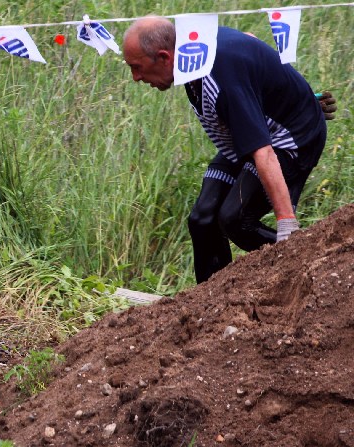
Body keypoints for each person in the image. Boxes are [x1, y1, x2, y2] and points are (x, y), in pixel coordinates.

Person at [122, 16, 328, 283]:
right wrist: (290, 96)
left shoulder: (218, 76)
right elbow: (250, 42)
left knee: (235, 219)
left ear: (164, 57)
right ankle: (207, 305)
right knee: (202, 219)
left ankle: (306, 264)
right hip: (245, 137)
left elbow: (264, 153)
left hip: (291, 139)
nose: (136, 78)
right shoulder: (194, 47)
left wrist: (287, 224)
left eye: (137, 67)